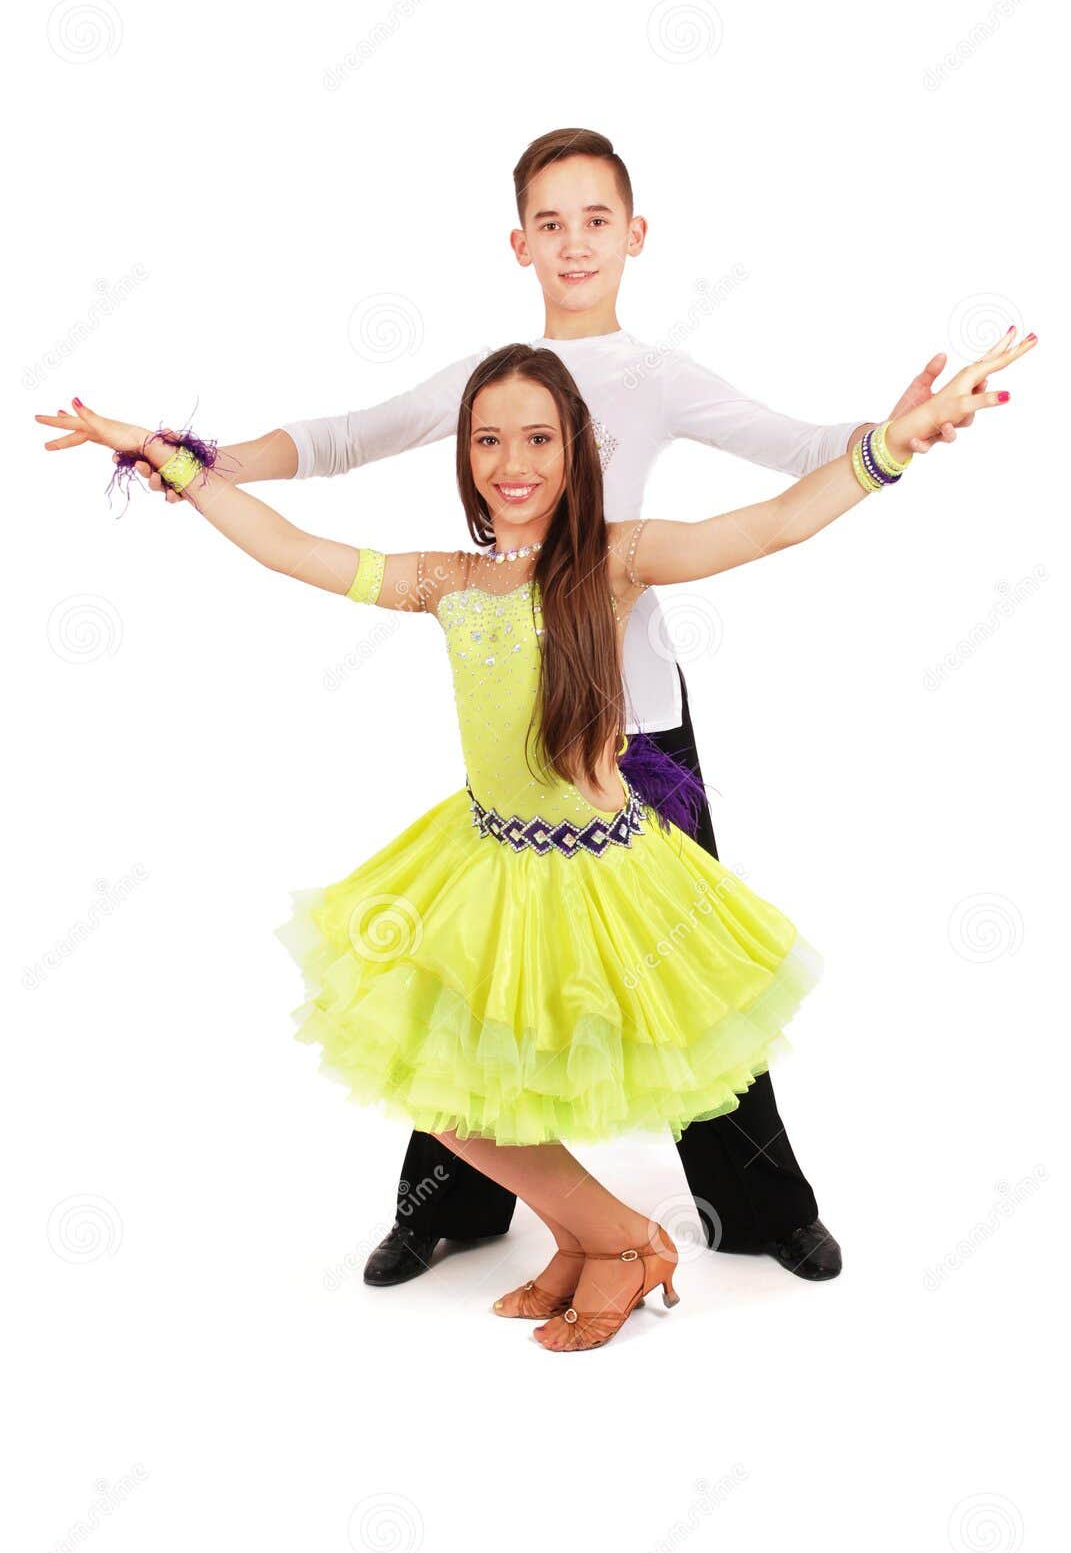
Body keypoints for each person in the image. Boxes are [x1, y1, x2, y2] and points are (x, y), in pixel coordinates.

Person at [35, 327, 1034, 1350]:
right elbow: (293, 549)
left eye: (539, 440)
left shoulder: (615, 559)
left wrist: (896, 442)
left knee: (507, 1080)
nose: (514, 465)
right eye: (488, 442)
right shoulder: (448, 580)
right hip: (485, 860)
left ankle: (631, 1239)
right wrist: (165, 459)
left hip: (599, 875)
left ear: (575, 453)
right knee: (466, 1087)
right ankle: (601, 1236)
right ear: (464, 457)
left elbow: (774, 522)